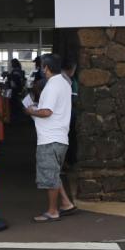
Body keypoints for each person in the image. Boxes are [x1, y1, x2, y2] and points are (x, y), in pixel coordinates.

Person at [24, 53, 77, 223]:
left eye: (42, 66)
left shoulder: (52, 86)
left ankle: (52, 211)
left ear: (46, 68)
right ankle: (66, 203)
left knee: (49, 176)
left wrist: (31, 110)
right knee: (53, 173)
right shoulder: (65, 83)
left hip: (49, 138)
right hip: (60, 136)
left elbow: (47, 112)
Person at [62, 58, 80, 169]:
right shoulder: (71, 81)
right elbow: (73, 100)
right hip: (69, 115)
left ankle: (65, 162)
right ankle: (68, 162)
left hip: (63, 115)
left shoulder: (58, 79)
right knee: (70, 139)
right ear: (71, 70)